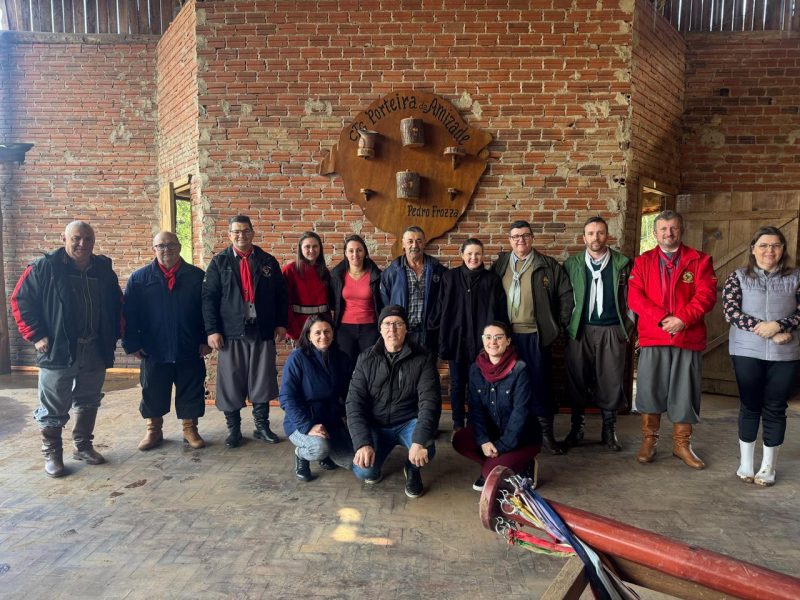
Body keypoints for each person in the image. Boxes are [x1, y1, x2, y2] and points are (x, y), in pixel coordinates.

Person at [11, 221, 121, 477]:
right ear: (64, 238)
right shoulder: (44, 267)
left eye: (88, 239)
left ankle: (83, 446)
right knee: (53, 405)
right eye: (77, 238)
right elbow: (20, 300)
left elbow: (116, 302)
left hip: (94, 347)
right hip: (58, 350)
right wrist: (36, 335)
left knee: (89, 398)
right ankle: (53, 454)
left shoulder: (103, 268)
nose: (83, 244)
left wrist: (116, 333)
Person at [628, 210, 717, 469]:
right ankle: (649, 441)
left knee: (685, 391)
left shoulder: (700, 260)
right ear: (655, 233)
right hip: (654, 336)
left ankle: (681, 444)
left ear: (682, 230)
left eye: (673, 228)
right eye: (663, 229)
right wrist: (663, 318)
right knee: (649, 389)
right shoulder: (642, 262)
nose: (669, 233)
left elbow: (706, 295)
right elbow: (635, 297)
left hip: (686, 336)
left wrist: (682, 319)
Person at [723, 226, 800, 486]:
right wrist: (768, 331)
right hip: (747, 351)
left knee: (776, 407)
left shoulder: (796, 277)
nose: (770, 250)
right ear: (753, 249)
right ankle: (746, 463)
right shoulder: (738, 277)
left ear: (783, 250)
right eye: (764, 245)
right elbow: (731, 312)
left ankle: (768, 467)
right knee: (749, 405)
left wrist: (779, 325)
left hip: (785, 354)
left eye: (776, 245)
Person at [202, 215, 288, 448]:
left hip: (262, 328)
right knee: (231, 380)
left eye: (245, 231)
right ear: (229, 235)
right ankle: (234, 430)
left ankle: (261, 426)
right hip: (230, 331)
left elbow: (281, 295)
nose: (241, 235)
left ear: (252, 232)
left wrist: (281, 323)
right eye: (236, 232)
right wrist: (212, 330)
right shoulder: (219, 262)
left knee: (262, 378)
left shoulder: (267, 261)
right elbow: (209, 298)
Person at [491, 219, 574, 455]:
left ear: (532, 238)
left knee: (540, 384)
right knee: (508, 386)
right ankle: (509, 434)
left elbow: (566, 296)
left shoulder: (547, 265)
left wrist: (556, 327)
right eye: (515, 236)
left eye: (525, 235)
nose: (520, 240)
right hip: (507, 338)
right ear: (509, 240)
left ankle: (545, 435)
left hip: (536, 336)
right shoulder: (500, 265)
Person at [122, 231, 210, 451]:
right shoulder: (140, 279)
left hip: (188, 345)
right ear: (154, 249)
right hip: (154, 347)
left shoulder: (196, 276)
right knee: (152, 389)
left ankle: (190, 428)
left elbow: (207, 311)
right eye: (160, 246)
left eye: (170, 245)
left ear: (179, 247)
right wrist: (132, 343)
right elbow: (129, 314)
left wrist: (206, 339)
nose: (166, 250)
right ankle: (154, 429)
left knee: (191, 387)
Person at [346, 305, 441, 498]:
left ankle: (412, 468)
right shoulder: (366, 359)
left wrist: (420, 439)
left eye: (398, 324)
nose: (392, 329)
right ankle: (376, 458)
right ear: (380, 329)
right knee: (364, 471)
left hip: (408, 422)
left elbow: (430, 402)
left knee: (427, 448)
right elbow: (354, 403)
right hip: (377, 425)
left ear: (406, 328)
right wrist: (362, 442)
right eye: (387, 324)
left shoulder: (423, 358)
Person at [562, 217, 635, 451]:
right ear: (584, 237)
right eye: (591, 233)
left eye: (600, 233)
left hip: (612, 328)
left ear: (607, 236)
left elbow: (633, 299)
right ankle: (577, 427)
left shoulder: (622, 263)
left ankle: (609, 429)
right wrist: (566, 325)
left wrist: (628, 327)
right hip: (580, 329)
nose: (596, 237)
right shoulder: (571, 264)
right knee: (577, 378)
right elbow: (563, 299)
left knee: (611, 378)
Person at [430, 238, 507, 433]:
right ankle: (457, 423)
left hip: (484, 343)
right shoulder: (450, 278)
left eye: (478, 254)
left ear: (483, 255)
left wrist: (501, 338)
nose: (473, 257)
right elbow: (439, 308)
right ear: (462, 254)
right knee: (457, 383)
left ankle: (476, 423)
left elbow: (500, 311)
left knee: (480, 384)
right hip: (457, 341)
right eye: (470, 253)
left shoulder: (492, 280)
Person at [452, 322, 541, 491]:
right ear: (482, 340)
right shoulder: (475, 369)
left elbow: (520, 413)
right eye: (488, 337)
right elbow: (475, 409)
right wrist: (484, 440)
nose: (493, 342)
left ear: (508, 341)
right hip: (492, 433)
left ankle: (525, 464)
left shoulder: (520, 369)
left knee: (490, 476)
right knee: (460, 440)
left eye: (498, 337)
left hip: (522, 438)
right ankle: (494, 463)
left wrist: (501, 446)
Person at [279, 313, 355, 482]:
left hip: (331, 421)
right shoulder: (297, 358)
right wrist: (308, 426)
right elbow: (286, 398)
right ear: (308, 335)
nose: (323, 336)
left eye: (327, 331)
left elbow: (350, 392)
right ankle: (302, 455)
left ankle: (325, 453)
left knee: (351, 462)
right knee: (319, 447)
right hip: (302, 422)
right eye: (318, 333)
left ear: (333, 333)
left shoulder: (342, 358)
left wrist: (349, 417)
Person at [380, 226, 447, 350]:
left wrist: (435, 324)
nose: (414, 245)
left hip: (429, 334)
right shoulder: (391, 273)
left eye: (419, 241)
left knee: (428, 368)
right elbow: (385, 305)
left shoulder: (439, 271)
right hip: (402, 333)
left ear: (424, 244)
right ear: (403, 245)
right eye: (410, 241)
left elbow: (444, 303)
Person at [330, 234, 383, 367]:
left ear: (365, 252)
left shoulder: (376, 275)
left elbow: (382, 302)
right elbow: (332, 301)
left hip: (370, 327)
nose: (355, 254)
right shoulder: (337, 275)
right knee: (345, 366)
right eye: (351, 250)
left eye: (359, 250)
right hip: (344, 328)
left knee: (369, 366)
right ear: (345, 253)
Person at [282, 231, 331, 341]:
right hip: (300, 329)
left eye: (315, 246)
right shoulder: (290, 270)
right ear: (300, 249)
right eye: (307, 247)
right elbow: (283, 304)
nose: (311, 250)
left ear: (320, 248)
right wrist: (294, 332)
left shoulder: (324, 271)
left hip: (322, 330)